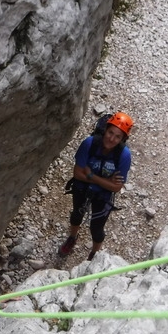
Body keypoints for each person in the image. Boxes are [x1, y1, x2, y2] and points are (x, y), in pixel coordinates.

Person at [58, 111, 133, 261]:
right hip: (83, 188)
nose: (111, 139)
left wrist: (91, 176)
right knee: (76, 215)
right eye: (110, 132)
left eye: (117, 136)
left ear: (122, 139)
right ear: (105, 129)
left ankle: (94, 255)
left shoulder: (124, 155)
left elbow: (116, 187)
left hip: (102, 195)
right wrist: (106, 181)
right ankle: (72, 237)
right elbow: (78, 173)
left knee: (97, 228)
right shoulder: (90, 143)